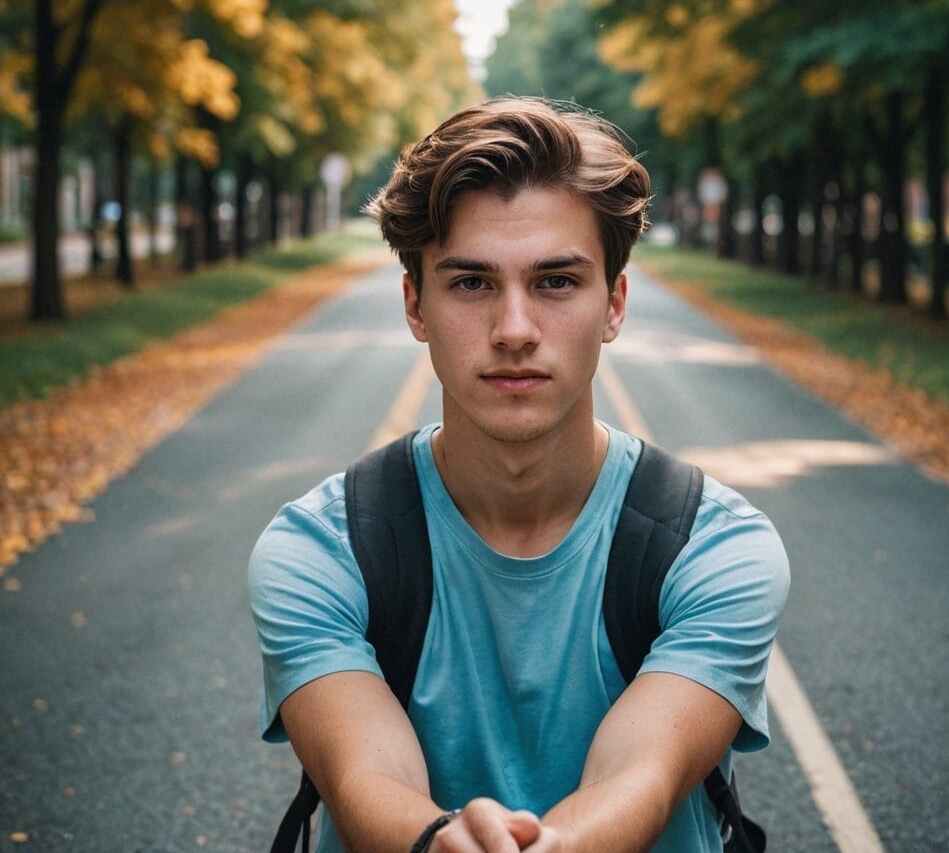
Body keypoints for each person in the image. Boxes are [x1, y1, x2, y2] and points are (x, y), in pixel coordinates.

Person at [248, 97, 790, 853]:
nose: (514, 331)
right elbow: (365, 778)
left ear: (614, 304)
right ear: (416, 304)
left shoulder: (716, 548)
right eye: (471, 284)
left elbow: (643, 773)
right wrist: (439, 839)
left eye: (557, 282)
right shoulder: (319, 549)